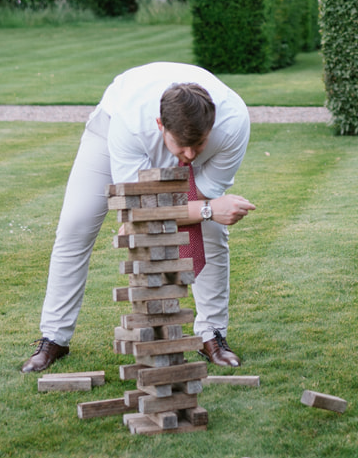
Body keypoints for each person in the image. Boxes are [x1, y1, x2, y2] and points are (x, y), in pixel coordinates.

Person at [20, 62, 254, 375]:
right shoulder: (129, 123)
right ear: (160, 125)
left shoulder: (233, 125)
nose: (189, 154)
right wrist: (196, 210)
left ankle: (212, 334)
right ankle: (54, 337)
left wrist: (203, 212)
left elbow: (195, 207)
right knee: (75, 225)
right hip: (113, 130)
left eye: (198, 144)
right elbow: (136, 210)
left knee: (211, 232)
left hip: (186, 133)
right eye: (181, 146)